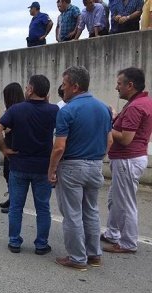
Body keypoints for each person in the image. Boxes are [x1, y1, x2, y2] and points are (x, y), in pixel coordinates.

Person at [49, 66, 113, 271]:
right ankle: (94, 254)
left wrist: (51, 169)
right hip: (95, 165)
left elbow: (59, 146)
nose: (62, 88)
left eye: (65, 84)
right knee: (91, 211)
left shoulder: (67, 110)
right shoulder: (104, 108)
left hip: (72, 166)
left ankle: (77, 258)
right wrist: (98, 158)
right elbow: (109, 140)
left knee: (72, 213)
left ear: (75, 87)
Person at [0, 75, 59, 255]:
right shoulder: (54, 111)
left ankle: (14, 241)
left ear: (30, 89)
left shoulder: (16, 109)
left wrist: (4, 149)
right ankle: (41, 244)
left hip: (19, 164)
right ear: (47, 92)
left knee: (16, 206)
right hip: (43, 167)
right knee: (43, 207)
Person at [102, 67, 152, 253]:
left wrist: (106, 125)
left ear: (130, 85)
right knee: (115, 199)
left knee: (124, 203)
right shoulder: (142, 101)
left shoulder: (135, 106)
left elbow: (125, 138)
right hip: (132, 158)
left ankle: (128, 242)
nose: (117, 88)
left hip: (127, 159)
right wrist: (116, 117)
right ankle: (112, 233)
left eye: (119, 83)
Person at [0, 83, 26, 214]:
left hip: (13, 146)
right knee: (7, 173)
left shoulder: (16, 110)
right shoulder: (14, 109)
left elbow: (7, 128)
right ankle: (11, 198)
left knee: (13, 175)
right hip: (10, 144)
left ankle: (14, 202)